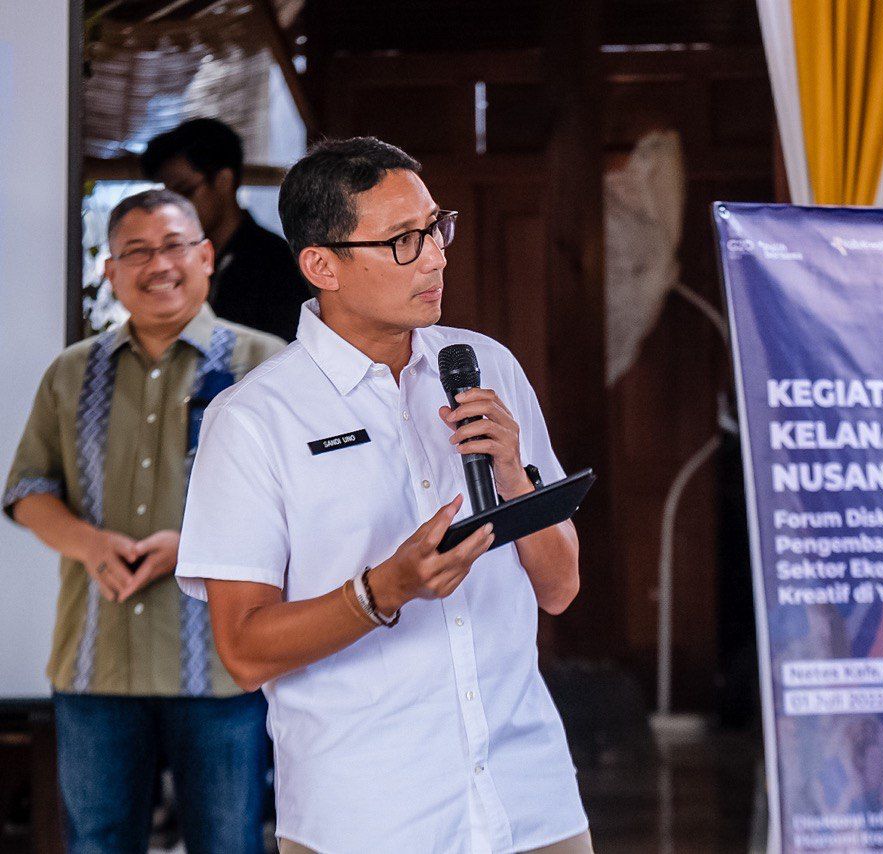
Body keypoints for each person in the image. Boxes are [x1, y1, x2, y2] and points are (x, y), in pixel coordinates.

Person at [174, 137, 591, 853]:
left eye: (435, 228)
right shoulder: (254, 420)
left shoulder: (486, 366)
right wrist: (382, 590)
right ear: (321, 265)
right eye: (403, 241)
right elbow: (242, 651)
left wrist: (514, 474)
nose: (435, 258)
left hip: (531, 802)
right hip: (367, 818)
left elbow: (560, 588)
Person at [3, 189, 284, 853]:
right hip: (95, 664)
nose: (158, 265)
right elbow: (28, 488)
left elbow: (301, 507)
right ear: (110, 270)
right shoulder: (72, 372)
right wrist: (89, 543)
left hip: (223, 664)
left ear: (206, 256)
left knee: (228, 842)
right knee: (99, 843)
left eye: (173, 246)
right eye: (136, 251)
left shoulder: (265, 365)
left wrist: (192, 549)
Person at [142, 117, 311, 341]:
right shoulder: (179, 261)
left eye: (185, 191)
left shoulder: (277, 264)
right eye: (168, 198)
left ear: (223, 181)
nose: (175, 208)